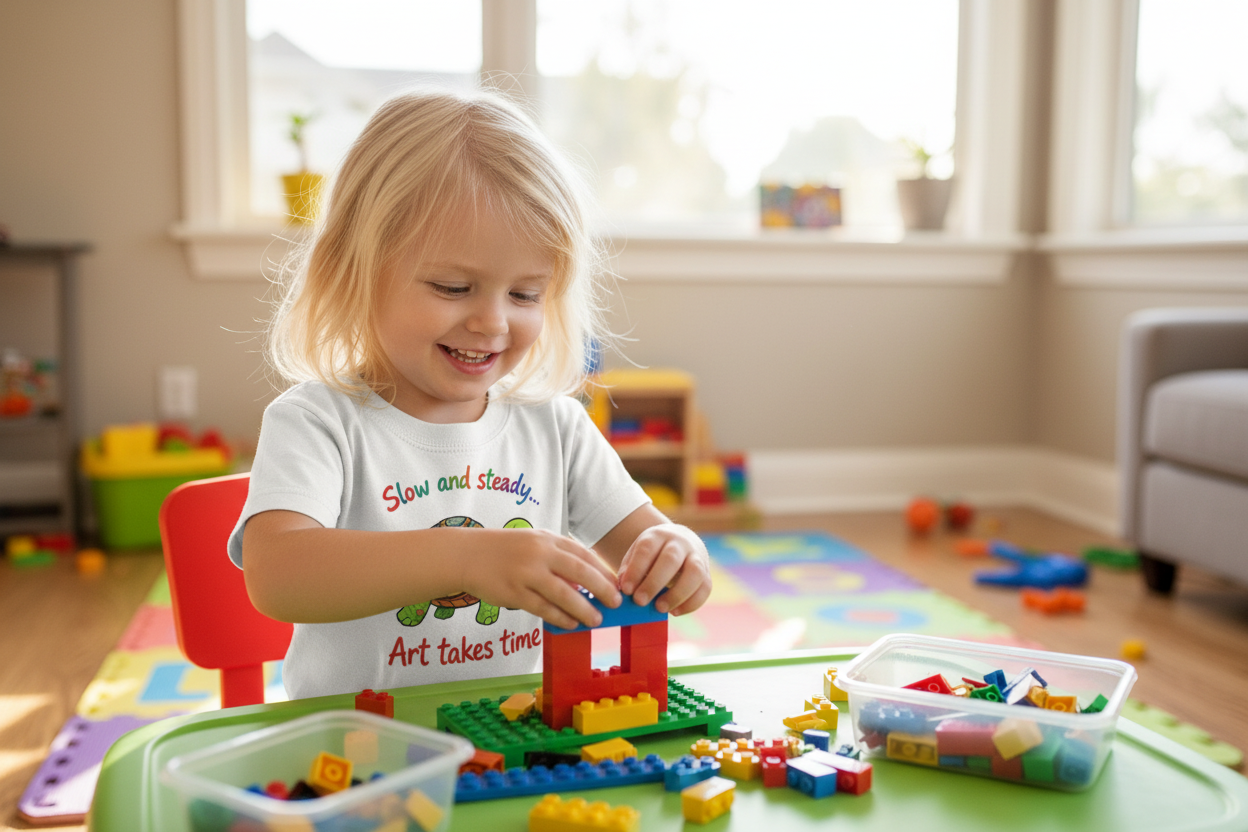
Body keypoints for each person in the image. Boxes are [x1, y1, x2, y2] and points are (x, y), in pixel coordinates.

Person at [228, 87, 712, 700]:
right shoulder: (317, 422)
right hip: (355, 740)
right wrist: (464, 559)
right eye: (453, 288)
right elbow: (278, 574)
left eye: (525, 294)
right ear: (354, 271)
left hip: (513, 737)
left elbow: (644, 542)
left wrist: (678, 553)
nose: (492, 322)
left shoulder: (555, 428)